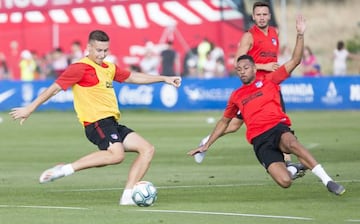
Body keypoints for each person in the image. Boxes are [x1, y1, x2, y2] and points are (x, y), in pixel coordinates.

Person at [9, 30, 182, 205]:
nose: (102, 54)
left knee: (147, 149)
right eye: (99, 50)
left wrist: (164, 78)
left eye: (106, 50)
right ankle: (66, 169)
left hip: (112, 123)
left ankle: (128, 195)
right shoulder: (80, 67)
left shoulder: (109, 68)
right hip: (96, 123)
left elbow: (133, 77)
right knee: (117, 155)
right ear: (89, 48)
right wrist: (30, 108)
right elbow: (54, 88)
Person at [188, 15, 345, 196]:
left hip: (277, 129)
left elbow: (295, 60)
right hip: (260, 141)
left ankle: (328, 181)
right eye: (239, 70)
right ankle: (293, 170)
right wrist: (207, 144)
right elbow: (224, 122)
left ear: (255, 68)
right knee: (285, 181)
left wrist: (300, 35)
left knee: (291, 142)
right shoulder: (236, 95)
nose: (242, 72)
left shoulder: (271, 80)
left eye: (246, 68)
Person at [195, 1, 295, 167]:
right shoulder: (249, 36)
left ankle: (287, 161)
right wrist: (264, 66)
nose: (262, 18)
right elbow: (237, 61)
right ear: (253, 17)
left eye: (265, 14)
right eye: (259, 15)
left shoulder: (274, 33)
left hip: (270, 87)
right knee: (240, 124)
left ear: (269, 16)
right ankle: (288, 162)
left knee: (237, 125)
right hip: (254, 89)